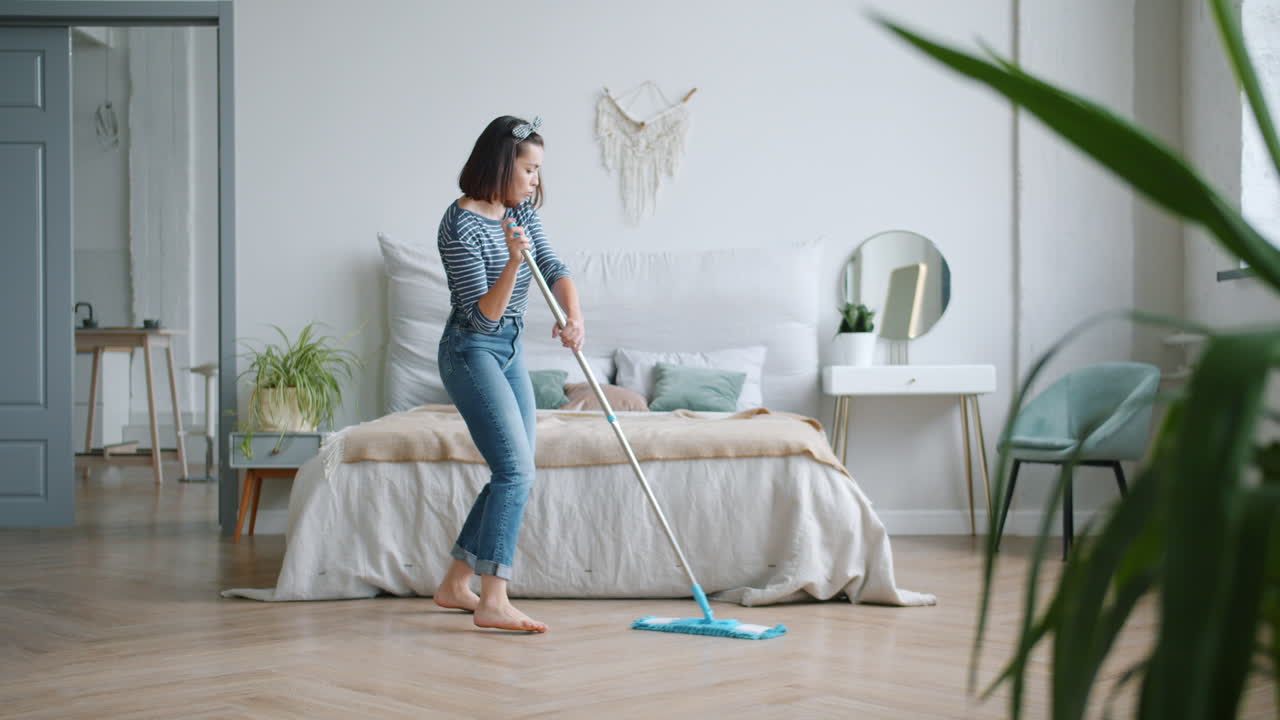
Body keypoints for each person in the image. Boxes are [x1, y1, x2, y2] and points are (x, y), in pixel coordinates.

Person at [432, 115, 584, 633]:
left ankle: (456, 584)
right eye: (529, 169)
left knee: (513, 469)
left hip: (510, 347)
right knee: (517, 471)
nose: (535, 181)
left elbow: (554, 265)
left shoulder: (519, 212)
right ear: (502, 164)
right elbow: (481, 317)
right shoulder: (459, 224)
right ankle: (492, 599)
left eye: (539, 170)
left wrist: (573, 316)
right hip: (470, 349)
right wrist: (514, 264)